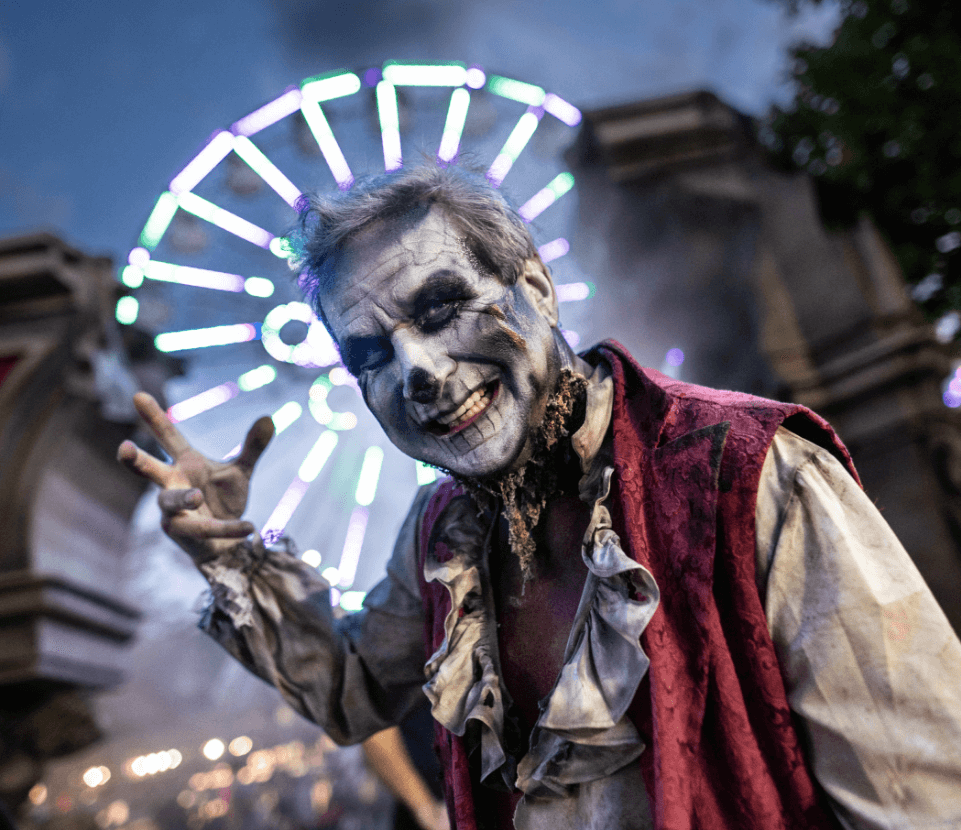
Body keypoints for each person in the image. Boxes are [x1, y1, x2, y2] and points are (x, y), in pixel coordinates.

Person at [118, 164, 961, 830]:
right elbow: (351, 690)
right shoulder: (443, 536)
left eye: (442, 306)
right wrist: (224, 547)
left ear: (538, 288)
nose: (416, 371)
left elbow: (921, 797)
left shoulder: (747, 473)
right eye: (369, 355)